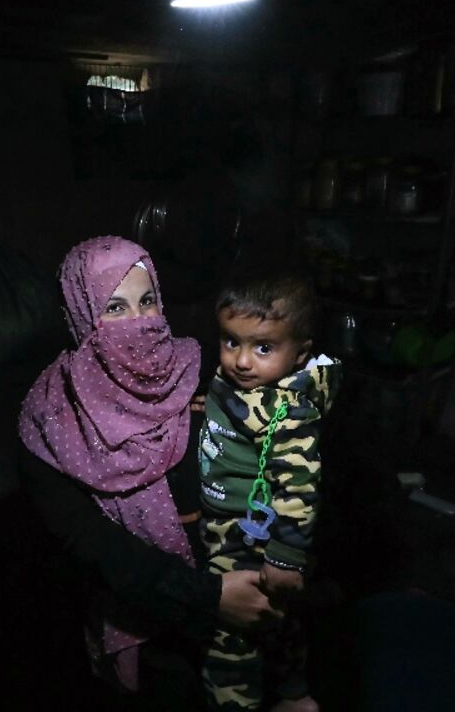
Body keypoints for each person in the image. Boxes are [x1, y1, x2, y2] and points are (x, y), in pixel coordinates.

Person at [18, 236, 278, 709]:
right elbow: (92, 543)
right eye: (114, 308)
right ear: (81, 313)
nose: (140, 323)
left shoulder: (201, 367)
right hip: (150, 607)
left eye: (147, 301)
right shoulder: (53, 418)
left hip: (244, 577)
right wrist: (206, 597)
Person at [197, 273, 342, 712]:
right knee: (279, 621)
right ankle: (294, 695)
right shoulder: (237, 383)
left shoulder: (289, 412)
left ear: (300, 354)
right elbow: (234, 403)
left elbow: (299, 486)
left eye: (263, 347)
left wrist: (285, 555)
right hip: (227, 526)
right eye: (230, 341)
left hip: (247, 541)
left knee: (231, 639)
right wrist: (209, 407)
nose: (241, 361)